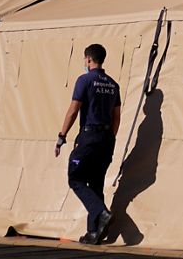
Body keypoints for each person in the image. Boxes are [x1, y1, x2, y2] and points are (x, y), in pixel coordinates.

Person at [56, 43, 122, 245]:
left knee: (74, 178)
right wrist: (110, 137)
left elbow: (74, 109)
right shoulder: (113, 84)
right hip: (106, 139)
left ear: (88, 59)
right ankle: (93, 232)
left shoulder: (84, 80)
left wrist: (62, 135)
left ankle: (101, 213)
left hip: (89, 137)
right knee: (96, 183)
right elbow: (116, 117)